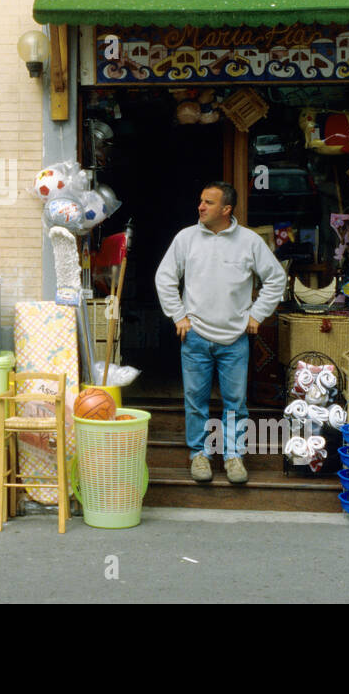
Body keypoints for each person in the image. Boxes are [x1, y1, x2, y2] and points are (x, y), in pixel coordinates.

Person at [154, 181, 287, 485]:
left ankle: (233, 456)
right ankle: (199, 455)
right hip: (195, 335)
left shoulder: (250, 242)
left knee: (235, 402)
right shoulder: (186, 238)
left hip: (234, 337)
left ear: (226, 209)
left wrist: (257, 314)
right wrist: (179, 315)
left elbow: (276, 279)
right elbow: (165, 278)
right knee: (195, 400)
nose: (201, 207)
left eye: (209, 203)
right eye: (201, 201)